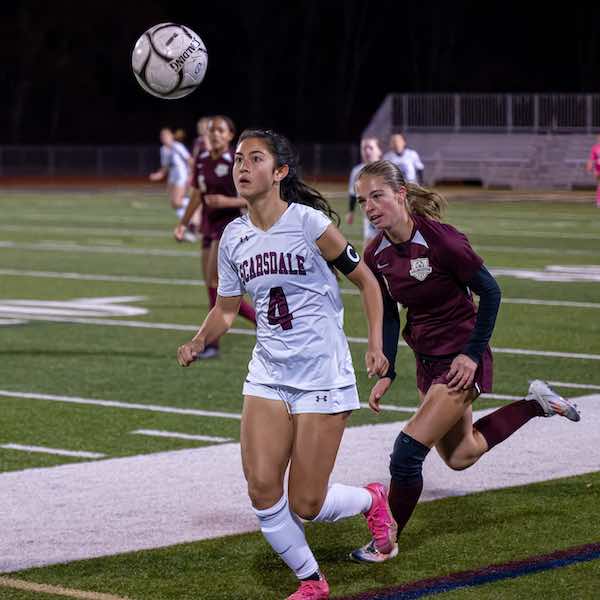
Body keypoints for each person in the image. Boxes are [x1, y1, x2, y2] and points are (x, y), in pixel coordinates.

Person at [177, 130, 397, 600]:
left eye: (255, 159)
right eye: (238, 158)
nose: (241, 167)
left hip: (322, 373)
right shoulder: (234, 236)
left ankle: (372, 500)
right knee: (261, 489)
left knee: (307, 502)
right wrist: (199, 339)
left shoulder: (309, 223)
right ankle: (311, 581)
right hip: (268, 374)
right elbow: (227, 308)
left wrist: (377, 344)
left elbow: (369, 283)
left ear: (279, 173)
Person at [352, 160, 581, 562]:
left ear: (400, 195)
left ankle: (386, 540)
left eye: (377, 196)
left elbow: (491, 293)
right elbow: (389, 312)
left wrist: (472, 355)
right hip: (427, 359)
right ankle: (536, 404)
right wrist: (387, 369)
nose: (369, 207)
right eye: (362, 200)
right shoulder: (376, 254)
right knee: (462, 455)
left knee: (406, 453)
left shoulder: (443, 241)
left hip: (461, 358)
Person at [176, 116, 256, 359]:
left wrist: (225, 202)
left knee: (216, 283)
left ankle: (258, 324)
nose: (214, 135)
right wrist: (182, 222)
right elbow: (198, 193)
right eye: (211, 131)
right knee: (212, 286)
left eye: (220, 131)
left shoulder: (237, 161)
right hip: (209, 227)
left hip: (230, 226)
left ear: (231, 135)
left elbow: (253, 197)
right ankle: (214, 343)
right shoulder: (201, 159)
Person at [149, 127, 199, 240]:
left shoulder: (177, 146)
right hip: (172, 176)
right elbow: (165, 167)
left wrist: (192, 174)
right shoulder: (163, 150)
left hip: (181, 176)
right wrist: (159, 174)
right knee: (174, 204)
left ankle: (194, 214)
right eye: (162, 136)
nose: (164, 138)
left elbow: (189, 160)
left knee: (177, 201)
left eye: (166, 135)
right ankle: (191, 223)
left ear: (171, 136)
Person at [346, 137, 382, 242]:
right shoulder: (357, 171)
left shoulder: (388, 169)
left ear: (379, 150)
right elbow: (353, 193)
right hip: (371, 218)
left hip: (392, 217)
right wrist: (351, 212)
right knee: (369, 252)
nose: (367, 151)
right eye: (364, 148)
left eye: (370, 148)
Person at [585, 134, 600, 208]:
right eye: (598, 138)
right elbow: (592, 159)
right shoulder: (595, 148)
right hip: (598, 168)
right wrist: (591, 167)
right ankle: (598, 201)